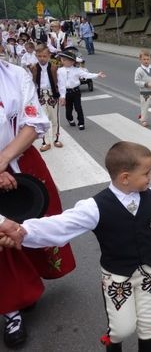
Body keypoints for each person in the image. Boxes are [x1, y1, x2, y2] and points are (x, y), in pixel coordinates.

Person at [20, 141, 151, 352]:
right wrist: (22, 232)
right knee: (121, 329)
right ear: (125, 177)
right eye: (146, 173)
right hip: (117, 276)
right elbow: (61, 225)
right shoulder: (95, 207)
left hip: (150, 272)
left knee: (149, 324)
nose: (150, 177)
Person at [0, 59, 76, 348]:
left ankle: (28, 285)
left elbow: (35, 120)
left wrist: (4, 159)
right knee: (4, 238)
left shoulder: (15, 73)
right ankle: (11, 310)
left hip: (22, 161)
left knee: (35, 226)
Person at [28, 44, 66, 150]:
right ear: (36, 56)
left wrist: (62, 96)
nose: (42, 58)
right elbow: (31, 84)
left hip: (52, 94)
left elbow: (61, 83)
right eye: (39, 56)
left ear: (49, 55)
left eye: (44, 56)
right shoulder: (33, 68)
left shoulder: (55, 67)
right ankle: (45, 141)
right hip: (40, 94)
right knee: (42, 119)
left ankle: (56, 139)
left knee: (55, 119)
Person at [57, 47, 106, 130]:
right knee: (68, 109)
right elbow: (61, 84)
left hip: (76, 92)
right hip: (66, 92)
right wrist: (62, 96)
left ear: (72, 61)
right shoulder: (59, 71)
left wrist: (97, 75)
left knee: (78, 107)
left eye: (66, 60)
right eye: (62, 59)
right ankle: (70, 119)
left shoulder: (77, 70)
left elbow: (86, 75)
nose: (63, 61)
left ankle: (81, 123)